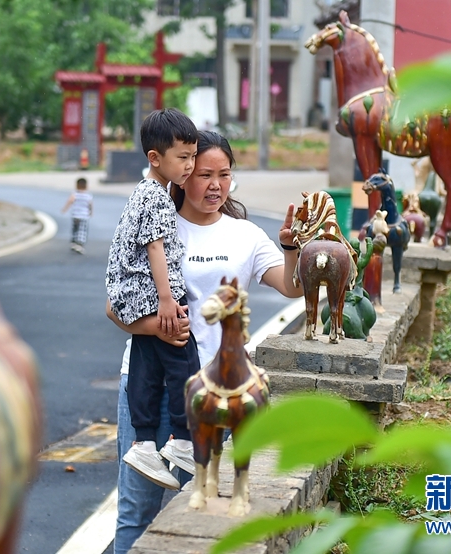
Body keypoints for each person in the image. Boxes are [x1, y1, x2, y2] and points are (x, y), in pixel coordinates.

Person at [106, 130, 303, 554]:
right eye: (204, 173)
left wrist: (291, 247)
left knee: (203, 513)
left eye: (225, 175)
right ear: (182, 172)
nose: (215, 185)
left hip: (217, 397)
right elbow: (115, 307)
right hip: (150, 388)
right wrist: (158, 329)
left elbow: (292, 286)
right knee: (137, 513)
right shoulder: (156, 224)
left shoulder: (245, 235)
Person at [105, 108, 200, 490]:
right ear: (155, 158)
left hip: (126, 291)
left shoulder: (142, 193)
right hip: (149, 291)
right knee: (184, 356)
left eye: (193, 156)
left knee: (147, 359)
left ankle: (143, 442)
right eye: (183, 157)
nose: (190, 165)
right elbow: (155, 248)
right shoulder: (158, 198)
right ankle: (183, 439)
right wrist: (165, 298)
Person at [61, 177, 93, 253]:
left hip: (75, 215)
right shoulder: (88, 196)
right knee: (82, 230)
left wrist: (65, 209)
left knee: (75, 228)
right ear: (86, 186)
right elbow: (90, 205)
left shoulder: (75, 194)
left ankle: (74, 242)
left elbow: (70, 201)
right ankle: (79, 244)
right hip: (84, 216)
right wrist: (90, 212)